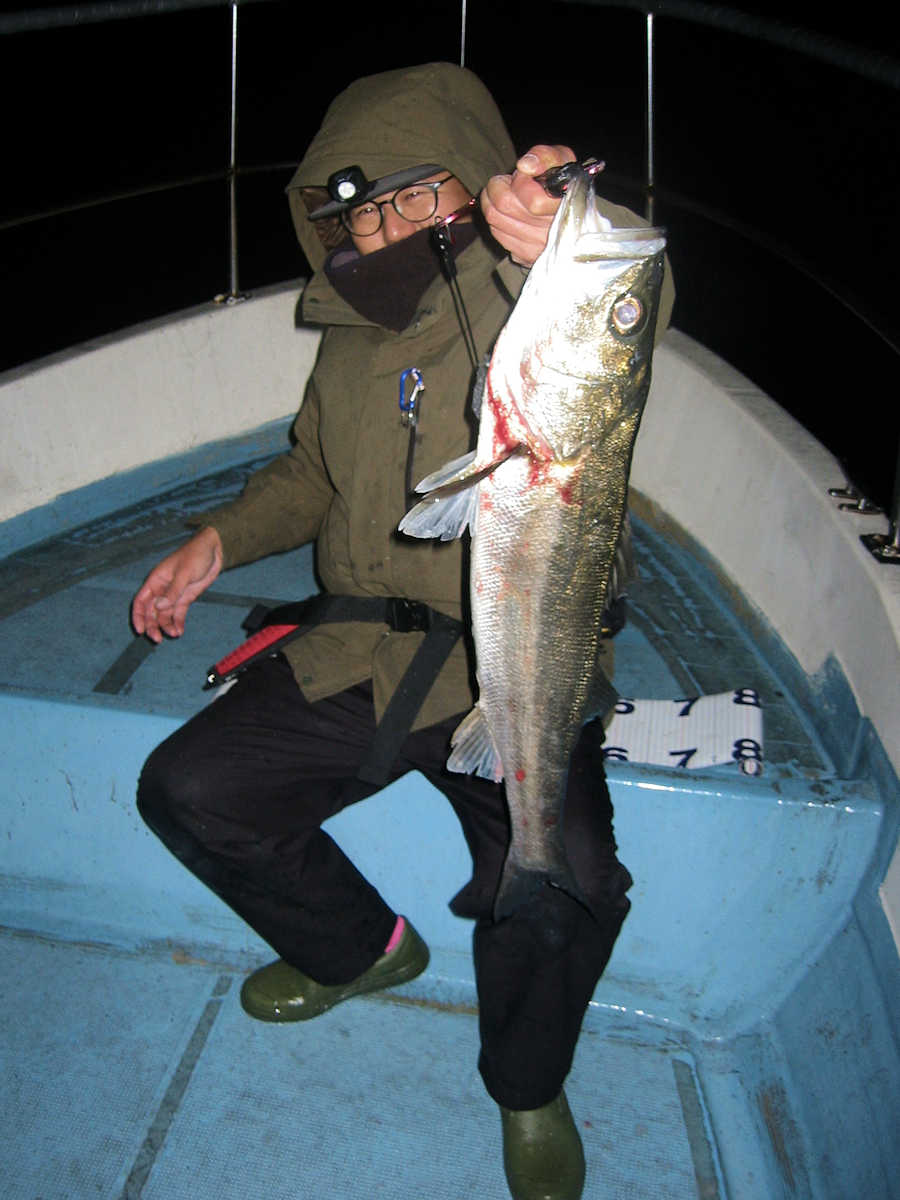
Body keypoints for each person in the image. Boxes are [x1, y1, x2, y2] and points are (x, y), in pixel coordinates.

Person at [132, 62, 674, 1200]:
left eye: (417, 194)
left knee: (572, 878)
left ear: (472, 187)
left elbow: (628, 305)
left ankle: (527, 1085)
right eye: (363, 211)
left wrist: (564, 228)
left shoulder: (532, 297)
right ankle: (363, 952)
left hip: (512, 664)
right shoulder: (347, 335)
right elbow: (311, 472)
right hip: (357, 651)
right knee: (188, 789)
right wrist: (220, 539)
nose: (386, 228)